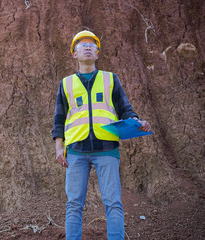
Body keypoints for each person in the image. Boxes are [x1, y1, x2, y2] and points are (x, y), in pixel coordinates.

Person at [52, 30, 151, 240]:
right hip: (76, 151)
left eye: (92, 45)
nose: (87, 47)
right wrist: (59, 147)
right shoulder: (66, 84)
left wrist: (138, 122)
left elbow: (125, 109)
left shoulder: (110, 79)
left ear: (97, 53)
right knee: (73, 204)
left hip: (107, 149)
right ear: (74, 54)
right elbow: (59, 118)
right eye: (82, 45)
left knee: (113, 202)